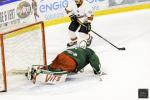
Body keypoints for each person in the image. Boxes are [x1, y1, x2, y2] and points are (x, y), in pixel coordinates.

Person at [27, 47, 103, 83]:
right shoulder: (91, 53)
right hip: (71, 61)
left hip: (62, 55)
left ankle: (38, 69)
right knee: (60, 69)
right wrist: (97, 71)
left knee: (52, 66)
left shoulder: (79, 48)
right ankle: (40, 72)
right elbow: (95, 62)